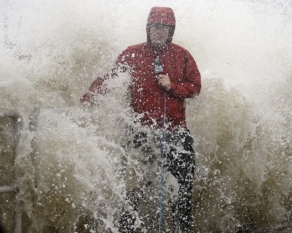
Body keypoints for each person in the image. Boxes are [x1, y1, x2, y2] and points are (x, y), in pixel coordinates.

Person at [80, 6, 201, 233]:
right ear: (148, 28)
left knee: (184, 187)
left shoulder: (182, 54)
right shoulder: (132, 53)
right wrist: (90, 97)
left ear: (171, 30)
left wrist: (172, 86)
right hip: (141, 132)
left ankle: (181, 229)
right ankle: (127, 228)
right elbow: (111, 79)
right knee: (134, 187)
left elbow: (195, 87)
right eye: (155, 26)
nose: (159, 31)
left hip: (176, 132)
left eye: (164, 27)